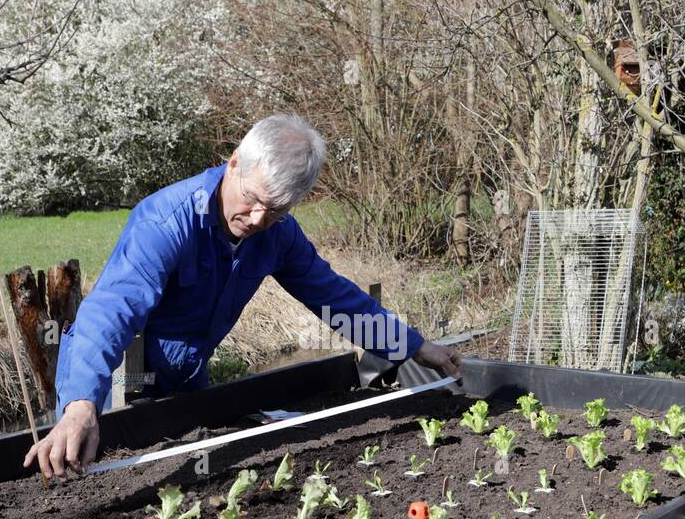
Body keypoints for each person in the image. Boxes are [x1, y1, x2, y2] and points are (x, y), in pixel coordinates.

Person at [24, 113, 463, 480]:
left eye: (275, 210)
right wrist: (82, 403)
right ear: (234, 163)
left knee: (194, 471)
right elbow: (112, 310)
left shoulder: (279, 236)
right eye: (253, 200)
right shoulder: (167, 222)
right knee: (87, 470)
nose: (256, 219)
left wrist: (414, 347)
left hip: (186, 371)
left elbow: (335, 299)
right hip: (116, 370)